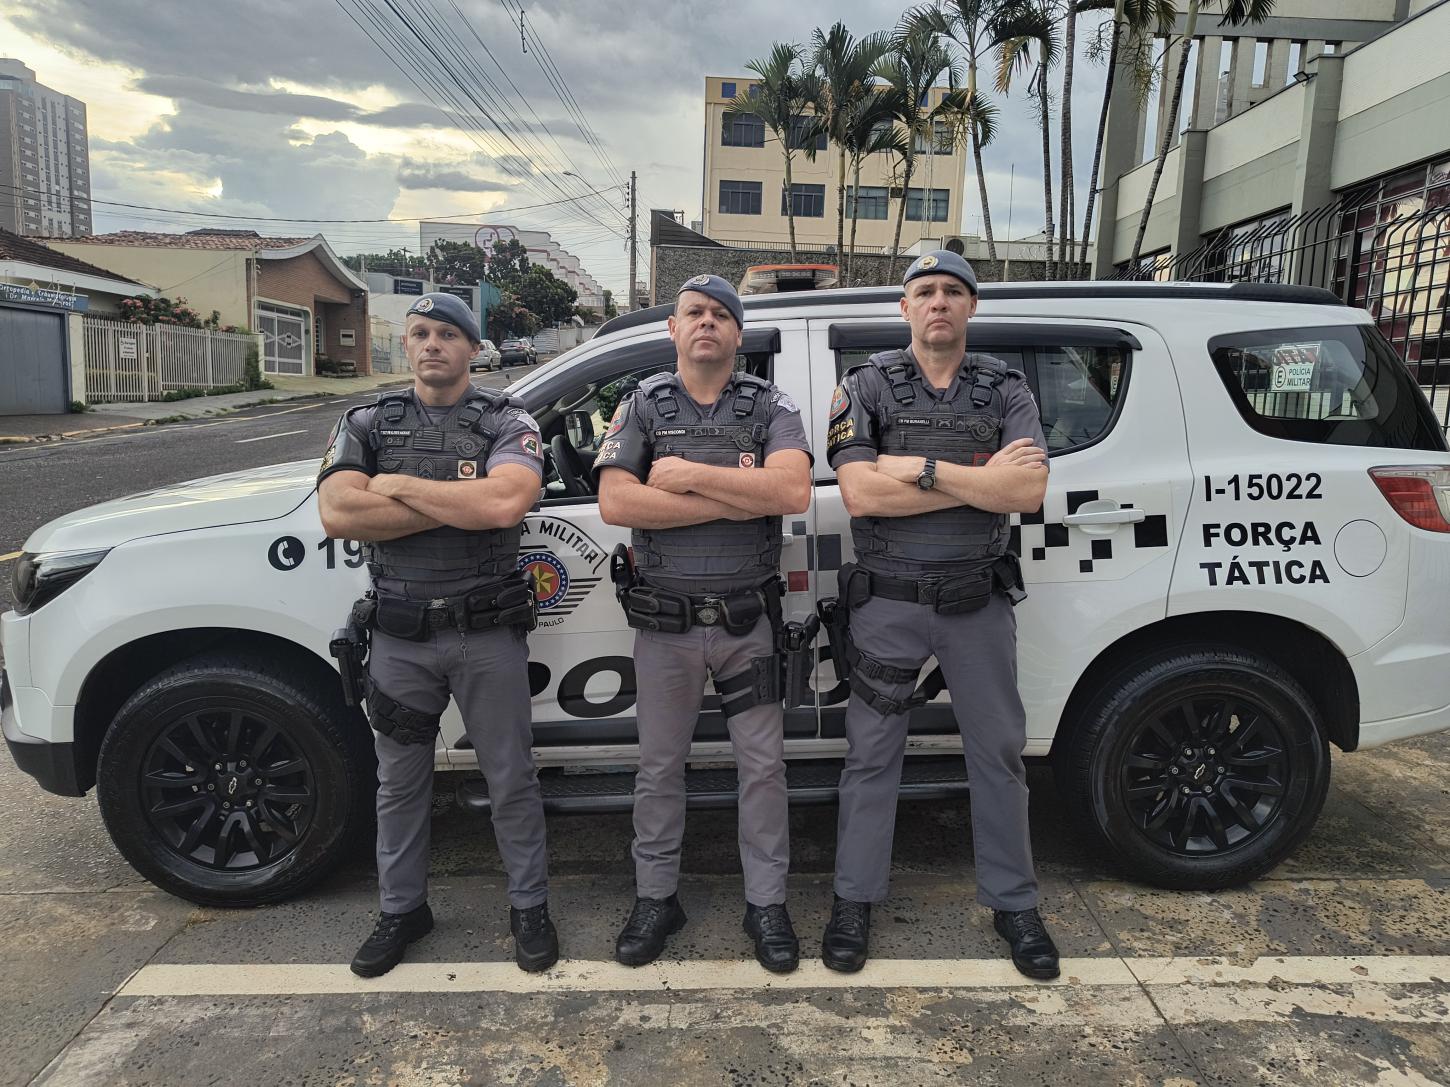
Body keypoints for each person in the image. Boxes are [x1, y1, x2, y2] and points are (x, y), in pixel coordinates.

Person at [821, 250, 1060, 980]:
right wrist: (980, 479)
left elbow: (1027, 491)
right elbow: (861, 493)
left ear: (971, 307)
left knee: (999, 754)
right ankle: (853, 900)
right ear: (905, 308)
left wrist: (919, 468)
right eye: (924, 291)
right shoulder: (864, 384)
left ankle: (1014, 903)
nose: (939, 303)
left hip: (975, 603)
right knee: (870, 757)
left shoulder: (1006, 388)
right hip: (887, 604)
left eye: (953, 292)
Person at [317, 292, 557, 978]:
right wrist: (461, 503)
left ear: (473, 347)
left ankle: (530, 905)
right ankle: (401, 909)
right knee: (399, 783)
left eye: (447, 333)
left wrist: (394, 487)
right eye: (420, 332)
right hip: (400, 635)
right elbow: (338, 511)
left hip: (487, 630)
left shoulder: (507, 417)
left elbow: (507, 500)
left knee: (511, 777)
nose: (431, 344)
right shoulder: (365, 419)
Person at [593, 274, 812, 973]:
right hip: (666, 627)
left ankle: (767, 904)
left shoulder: (770, 404)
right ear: (674, 329)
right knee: (658, 769)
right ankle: (656, 897)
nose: (708, 323)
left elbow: (792, 490)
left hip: (748, 624)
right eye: (695, 313)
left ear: (738, 333)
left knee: (764, 769)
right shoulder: (643, 404)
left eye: (722, 314)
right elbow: (618, 502)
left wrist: (683, 474)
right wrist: (736, 498)